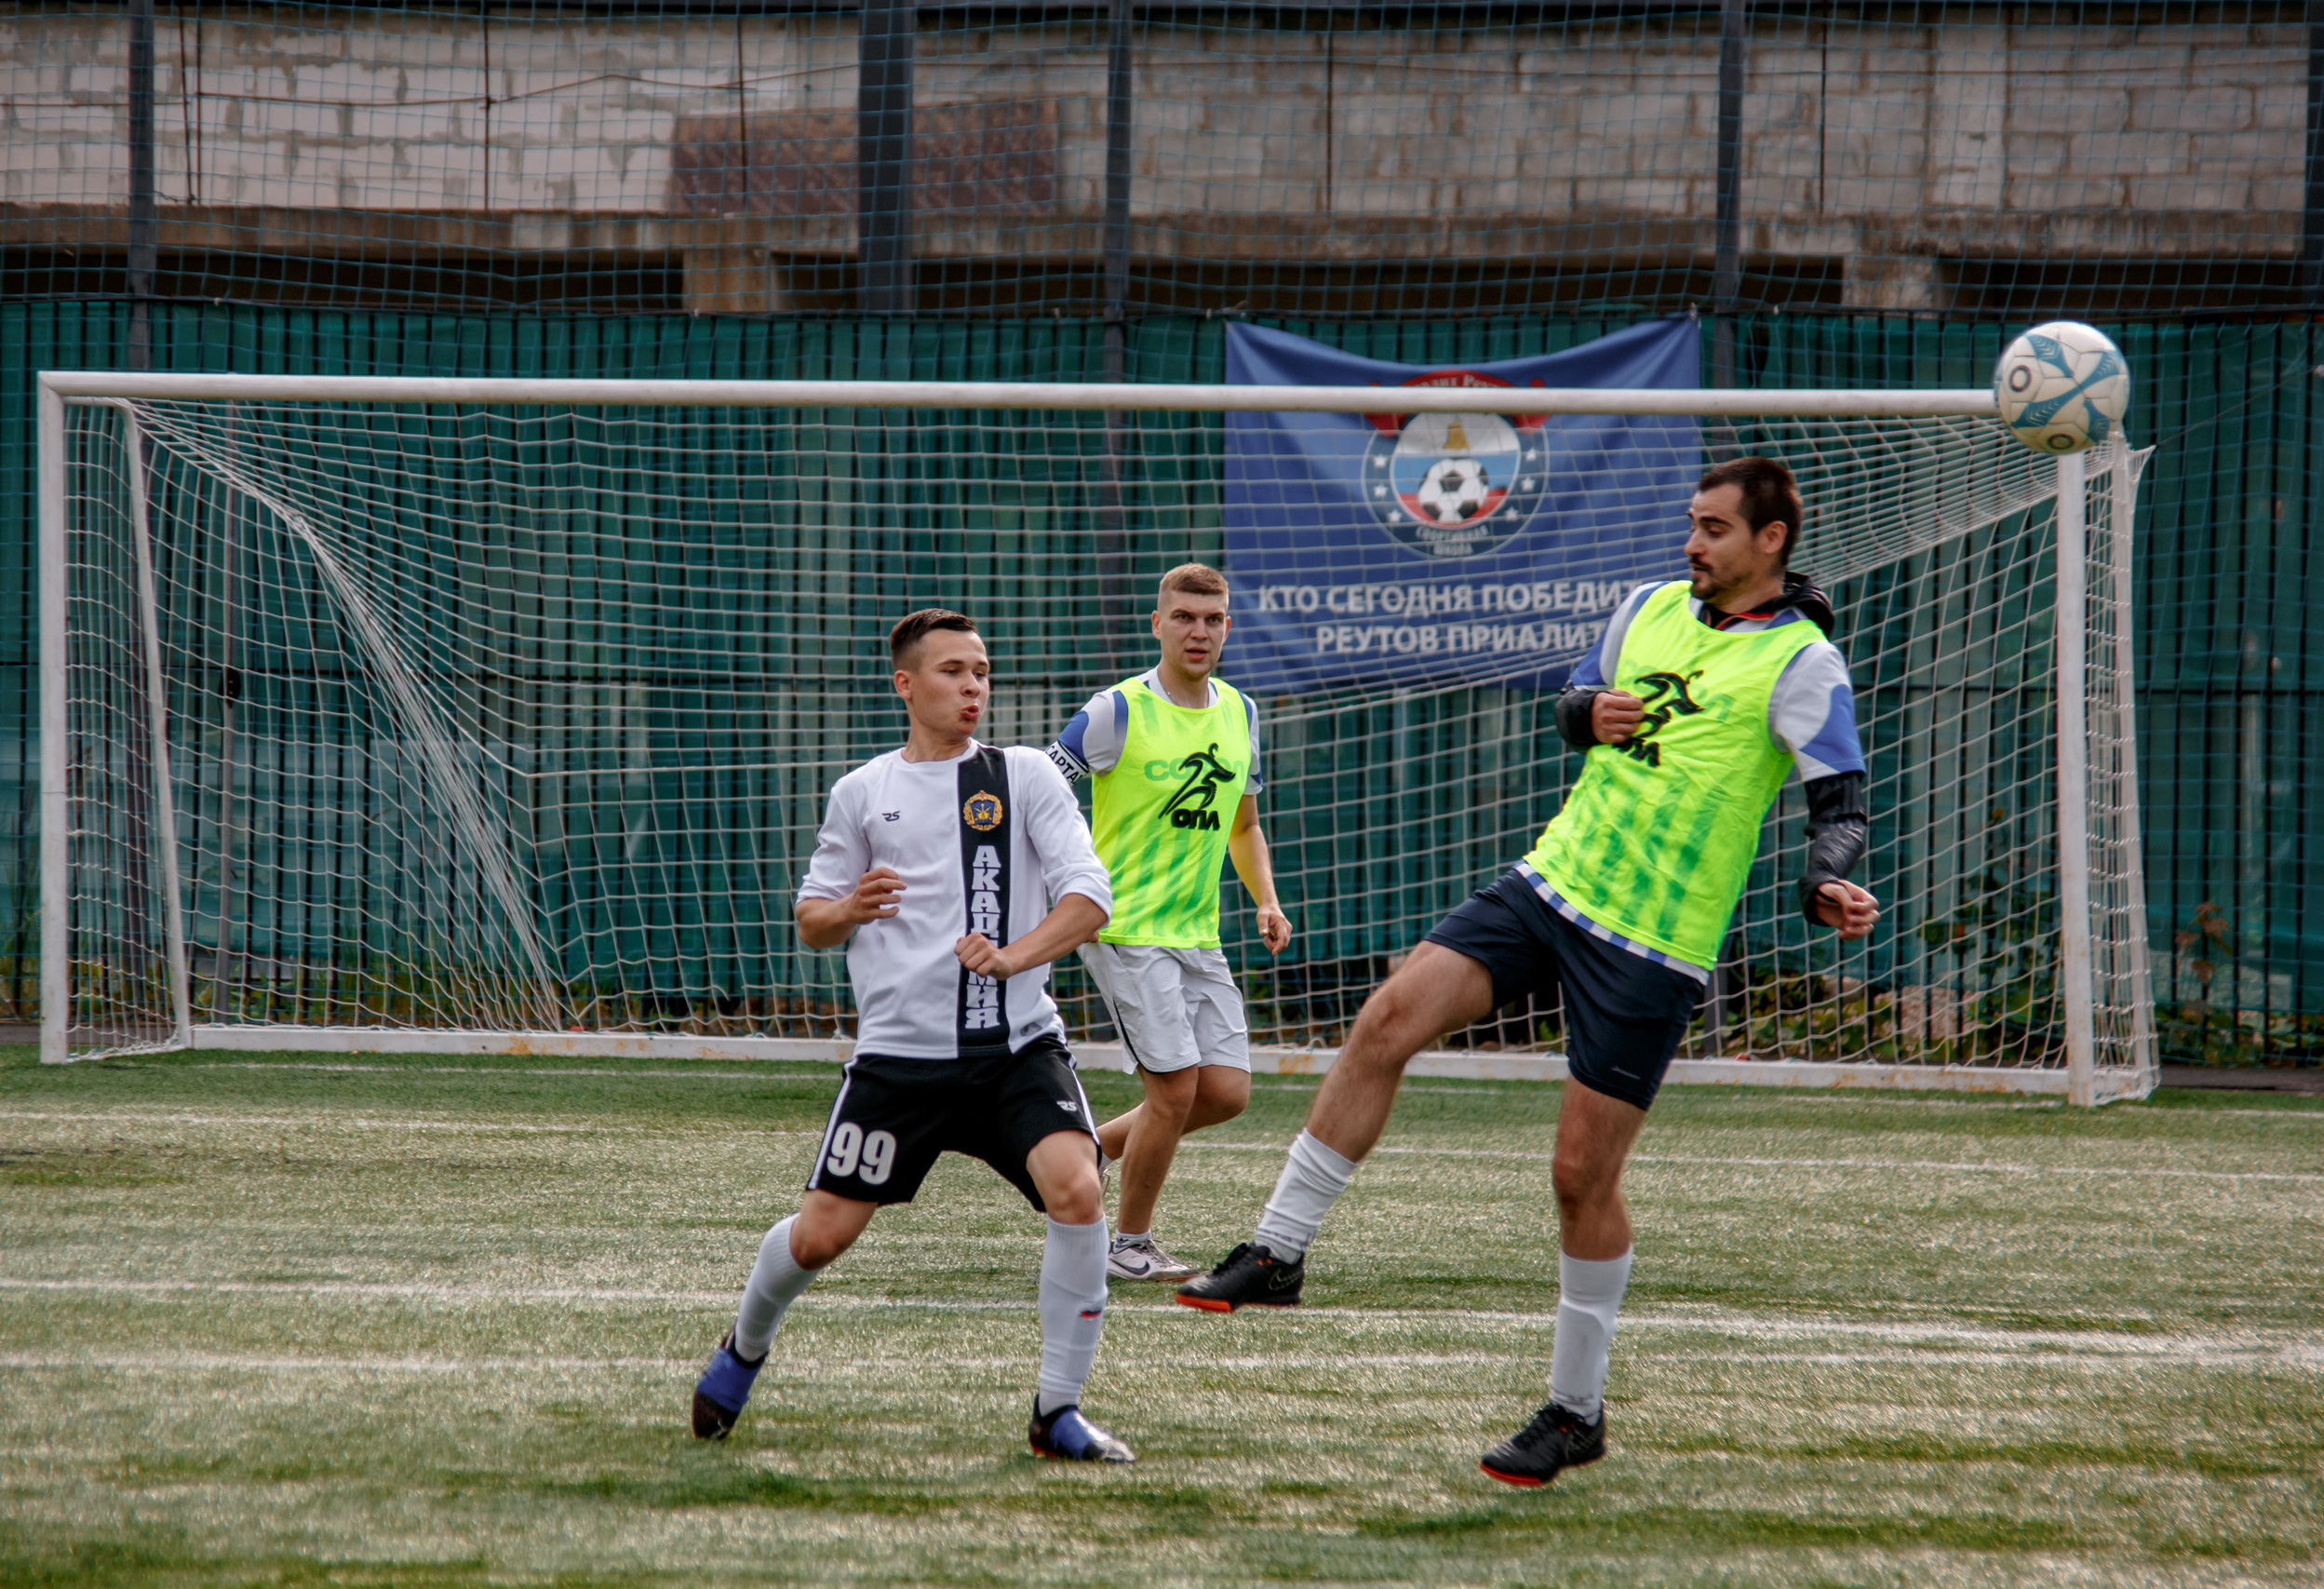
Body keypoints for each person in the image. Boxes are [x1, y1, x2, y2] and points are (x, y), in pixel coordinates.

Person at [1175, 457, 1881, 1488]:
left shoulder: (1803, 663)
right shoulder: (1646, 605)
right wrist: (1586, 714)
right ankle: (1277, 1252)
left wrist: (1824, 881)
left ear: (1771, 540)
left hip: (1653, 944)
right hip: (1551, 885)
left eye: (1716, 528)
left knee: (1578, 1177)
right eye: (1692, 522)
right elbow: (1572, 700)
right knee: (1384, 1020)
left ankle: (1575, 1412)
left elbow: (1841, 803)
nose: (1693, 541)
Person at [690, 608, 1136, 1463]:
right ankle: (744, 1346)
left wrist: (1012, 957)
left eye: (982, 671)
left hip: (1015, 1049)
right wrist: (850, 906)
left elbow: (1090, 898)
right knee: (820, 1236)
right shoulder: (863, 791)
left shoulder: (1026, 776)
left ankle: (1058, 1410)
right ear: (905, 683)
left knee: (1077, 1189)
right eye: (952, 671)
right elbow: (812, 921)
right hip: (899, 1061)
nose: (973, 686)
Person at [1048, 563, 1293, 1283]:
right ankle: (1128, 1244)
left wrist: (1266, 899)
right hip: (1123, 928)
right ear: (1157, 624)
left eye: (1213, 619)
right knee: (1175, 1089)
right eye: (1184, 616)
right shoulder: (1115, 711)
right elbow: (1039, 792)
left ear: (1228, 628)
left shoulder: (1240, 712)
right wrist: (1071, 885)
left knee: (1225, 1091)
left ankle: (1087, 1149)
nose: (1199, 631)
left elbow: (1243, 826)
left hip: (1197, 932)